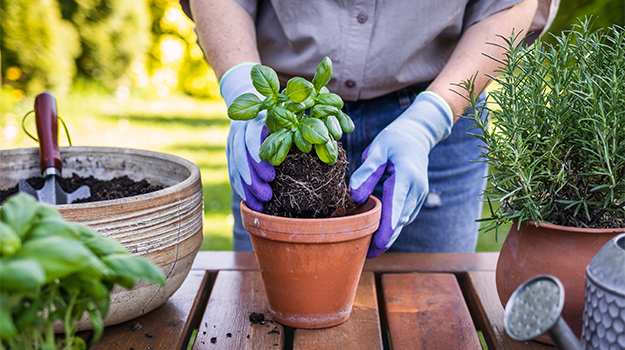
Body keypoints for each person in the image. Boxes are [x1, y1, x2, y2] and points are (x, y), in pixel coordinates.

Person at [180, 0, 559, 257]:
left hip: (439, 107)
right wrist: (244, 90)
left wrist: (428, 123)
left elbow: (510, 5)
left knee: (429, 309)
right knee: (266, 311)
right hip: (282, 118)